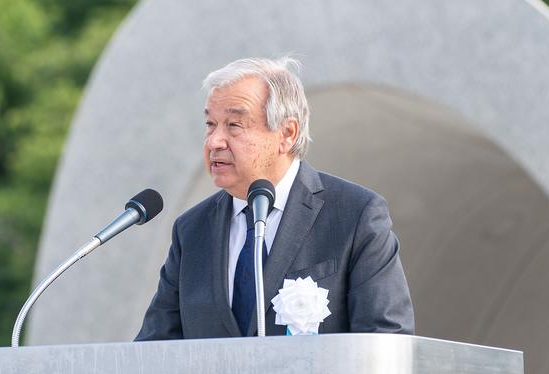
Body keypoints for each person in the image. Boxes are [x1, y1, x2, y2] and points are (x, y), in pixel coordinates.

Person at [135, 57, 414, 340]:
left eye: (234, 125)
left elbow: (387, 341)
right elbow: (153, 348)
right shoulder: (191, 230)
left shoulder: (355, 216)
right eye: (210, 124)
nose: (214, 142)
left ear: (287, 134)